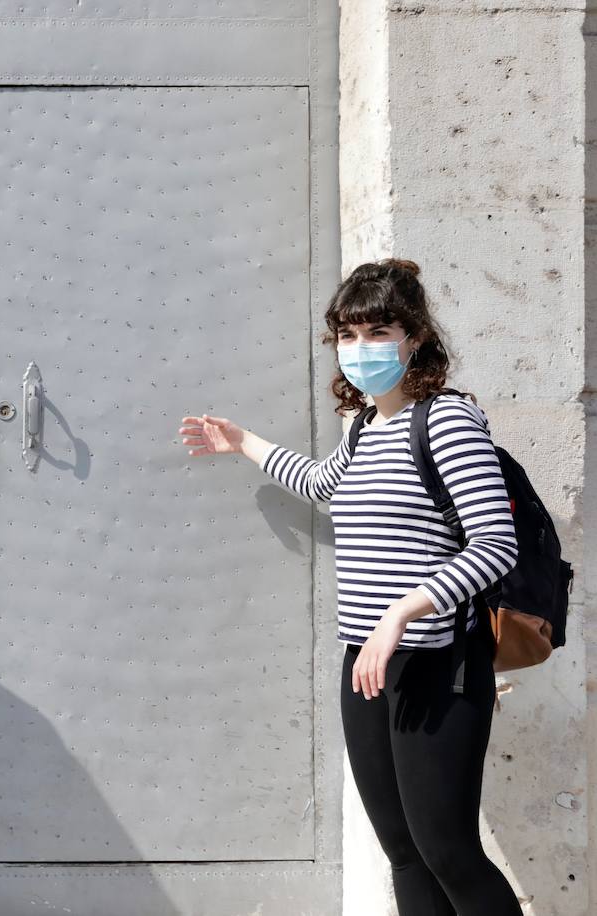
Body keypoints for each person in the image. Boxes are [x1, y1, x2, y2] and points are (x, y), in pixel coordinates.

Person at [178, 258, 522, 915]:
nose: (360, 350)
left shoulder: (447, 422)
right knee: (403, 853)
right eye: (347, 336)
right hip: (364, 665)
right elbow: (319, 485)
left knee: (448, 850)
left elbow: (495, 547)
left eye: (378, 333)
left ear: (414, 338)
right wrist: (242, 441)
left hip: (434, 663)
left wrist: (402, 612)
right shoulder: (366, 429)